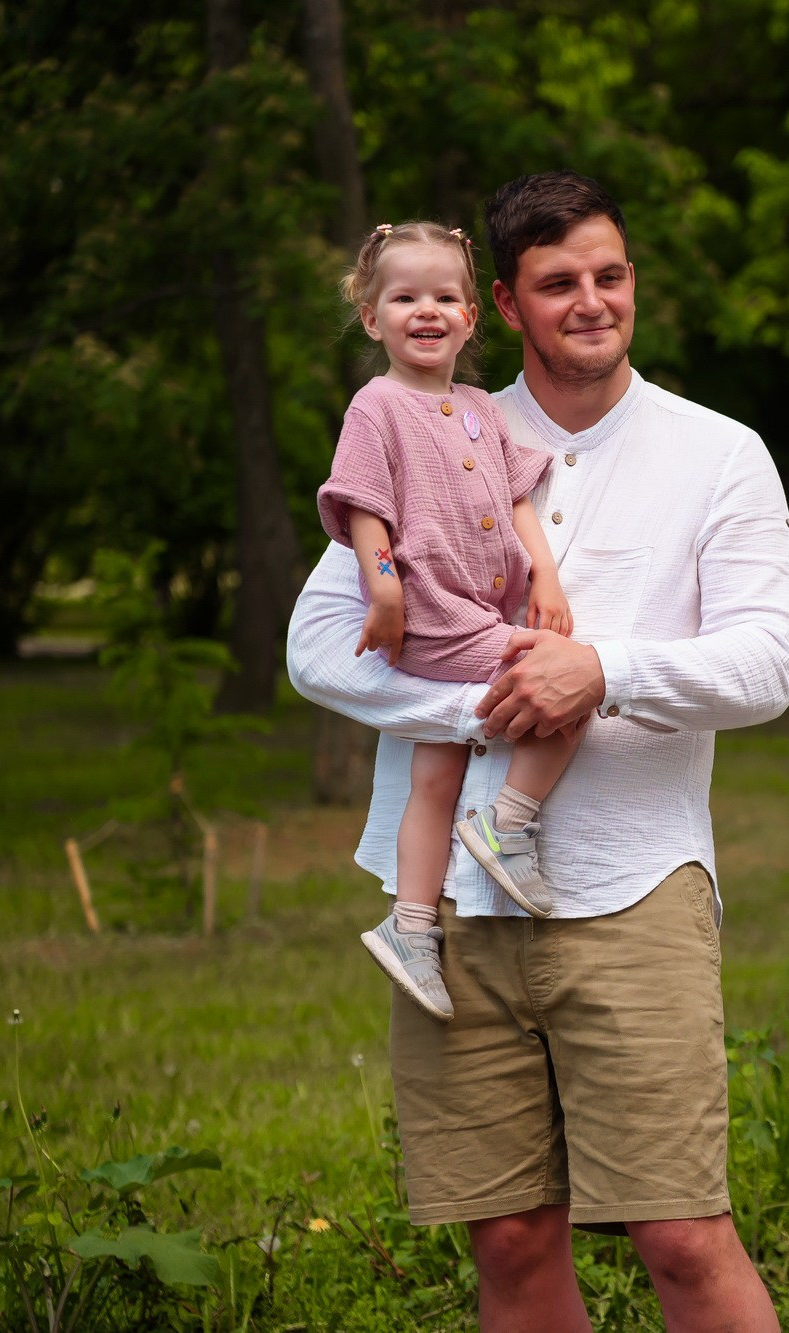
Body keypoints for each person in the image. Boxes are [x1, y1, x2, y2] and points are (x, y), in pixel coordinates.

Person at [287, 171, 789, 1333]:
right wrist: (481, 707)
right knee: (511, 1240)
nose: (591, 301)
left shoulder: (717, 453)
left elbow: (770, 662)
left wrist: (601, 671)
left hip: (633, 887)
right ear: (507, 306)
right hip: (449, 912)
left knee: (681, 1234)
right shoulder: (419, 423)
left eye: (609, 275)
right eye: (558, 282)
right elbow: (315, 647)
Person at [317, 220, 581, 1024]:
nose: (425, 311)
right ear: (373, 318)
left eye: (443, 297)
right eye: (405, 298)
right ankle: (506, 826)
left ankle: (410, 927)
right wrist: (385, 590)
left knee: (433, 779)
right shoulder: (377, 405)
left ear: (470, 316)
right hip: (435, 612)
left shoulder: (476, 407)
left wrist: (544, 572)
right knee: (567, 691)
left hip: (479, 605)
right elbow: (364, 506)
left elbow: (516, 497)